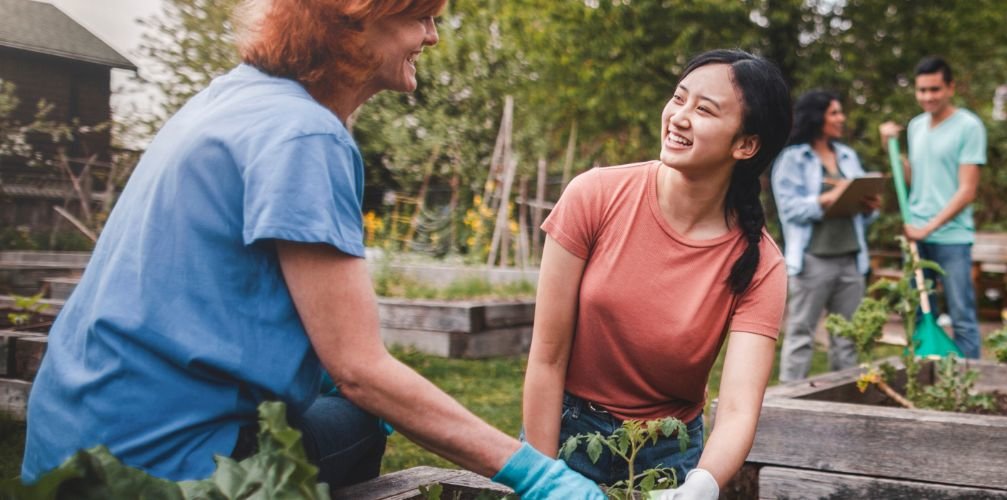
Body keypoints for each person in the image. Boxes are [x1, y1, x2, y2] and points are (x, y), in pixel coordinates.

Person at [21, 1, 600, 497]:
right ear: (356, 19)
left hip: (71, 440)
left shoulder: (230, 98)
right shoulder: (305, 135)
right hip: (162, 468)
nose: (432, 35)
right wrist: (536, 475)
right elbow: (361, 371)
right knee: (363, 417)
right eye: (419, 17)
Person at [522, 49, 790, 499]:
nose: (679, 117)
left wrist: (701, 485)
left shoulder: (761, 263)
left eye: (704, 110)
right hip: (567, 432)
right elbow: (547, 358)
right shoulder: (594, 196)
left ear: (745, 145)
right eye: (678, 98)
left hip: (667, 454)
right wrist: (543, 474)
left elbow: (741, 409)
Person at [877, 56, 987, 359]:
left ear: (950, 87)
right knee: (919, 313)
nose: (927, 97)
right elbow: (914, 179)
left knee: (962, 315)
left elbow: (967, 191)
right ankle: (926, 378)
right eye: (922, 90)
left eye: (934, 89)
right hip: (916, 235)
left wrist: (929, 227)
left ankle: (970, 384)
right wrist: (891, 149)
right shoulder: (916, 126)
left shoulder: (969, 126)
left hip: (951, 236)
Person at [771, 90, 880, 382]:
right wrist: (827, 199)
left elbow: (863, 208)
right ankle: (789, 403)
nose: (841, 118)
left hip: (851, 260)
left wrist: (869, 205)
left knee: (847, 339)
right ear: (817, 117)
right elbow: (790, 209)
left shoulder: (847, 155)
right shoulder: (792, 159)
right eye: (834, 113)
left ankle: (844, 404)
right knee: (801, 334)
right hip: (813, 261)